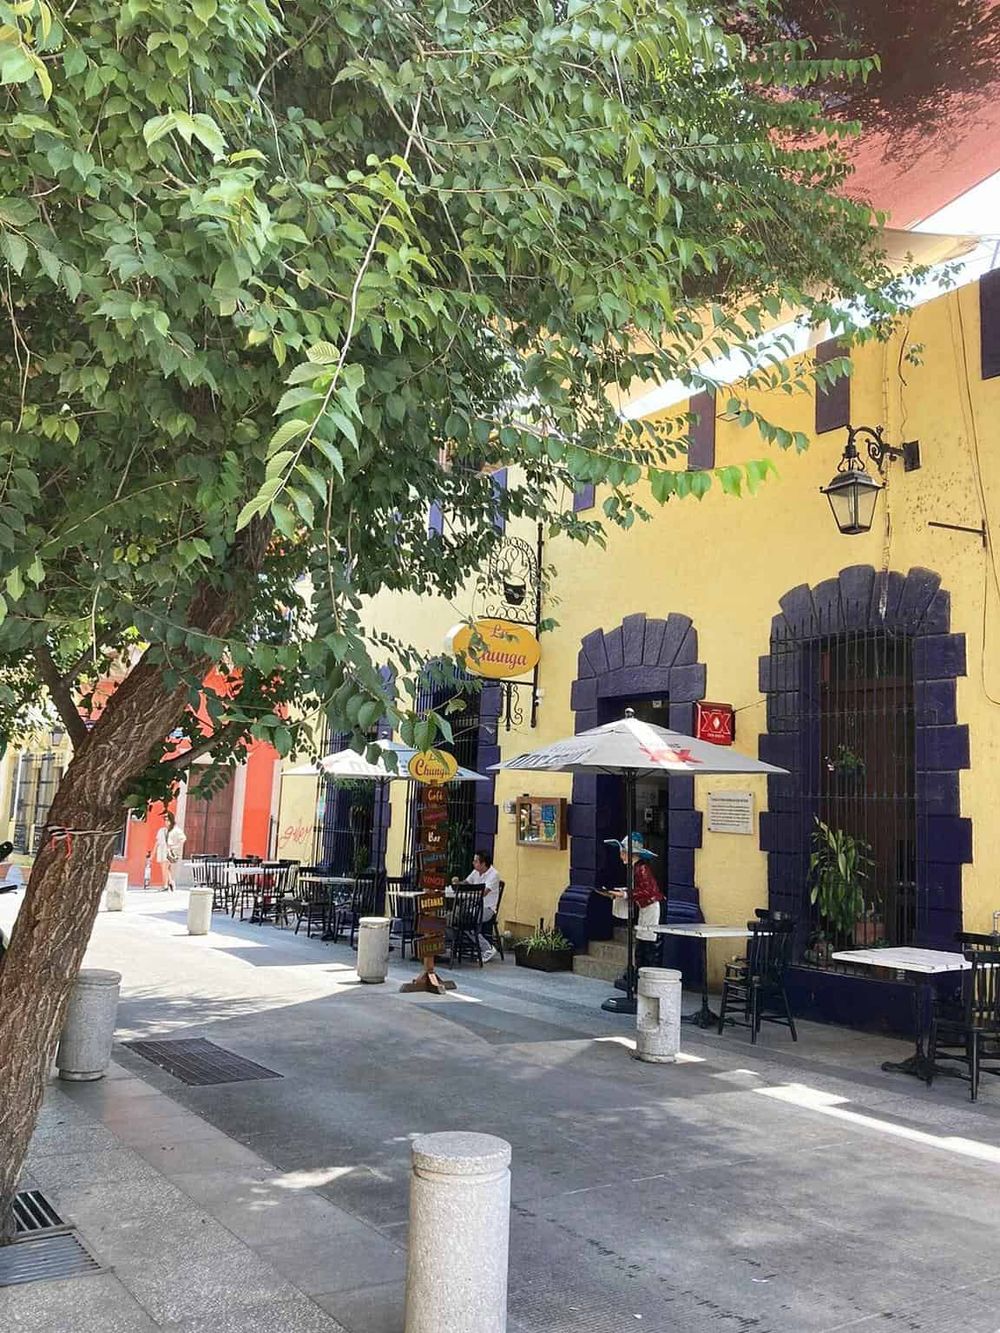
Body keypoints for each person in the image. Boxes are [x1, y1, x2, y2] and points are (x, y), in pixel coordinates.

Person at [605, 833, 665, 990]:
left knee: (650, 945)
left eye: (623, 852)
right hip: (645, 908)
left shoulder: (642, 869)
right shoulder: (636, 868)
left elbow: (646, 891)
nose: (621, 856)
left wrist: (625, 894)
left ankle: (649, 980)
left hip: (652, 909)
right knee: (642, 944)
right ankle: (639, 977)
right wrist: (624, 891)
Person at [452, 849, 501, 962]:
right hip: (473, 906)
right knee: (455, 916)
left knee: (467, 921)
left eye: (476, 861)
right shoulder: (476, 872)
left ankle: (488, 948)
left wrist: (468, 893)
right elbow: (466, 882)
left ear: (483, 864)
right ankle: (461, 944)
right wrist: (458, 884)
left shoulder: (494, 875)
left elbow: (483, 893)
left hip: (487, 909)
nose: (473, 863)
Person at [153, 811, 186, 891]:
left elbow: (183, 838)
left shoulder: (176, 830)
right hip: (162, 851)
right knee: (165, 868)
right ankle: (170, 882)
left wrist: (175, 846)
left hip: (170, 852)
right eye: (165, 820)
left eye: (168, 820)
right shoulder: (162, 830)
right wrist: (153, 853)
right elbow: (157, 842)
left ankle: (165, 885)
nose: (166, 822)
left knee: (165, 867)